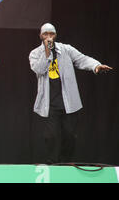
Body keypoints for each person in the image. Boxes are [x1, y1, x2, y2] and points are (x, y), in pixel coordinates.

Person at [29, 23, 113, 164]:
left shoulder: (66, 49)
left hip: (68, 100)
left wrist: (96, 65)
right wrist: (47, 53)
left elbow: (82, 59)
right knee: (51, 136)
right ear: (40, 36)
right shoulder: (35, 53)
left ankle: (65, 162)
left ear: (55, 35)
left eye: (52, 34)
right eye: (46, 34)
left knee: (69, 135)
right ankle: (52, 162)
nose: (49, 37)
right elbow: (39, 69)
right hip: (49, 102)